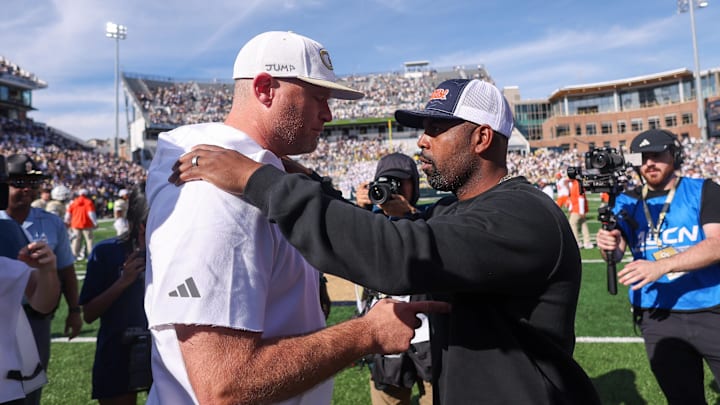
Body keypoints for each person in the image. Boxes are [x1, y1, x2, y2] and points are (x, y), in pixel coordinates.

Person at [171, 78, 601, 404]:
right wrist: (315, 184)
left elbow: (397, 257)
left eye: (436, 128)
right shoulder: (455, 209)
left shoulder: (523, 214)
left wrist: (258, 181)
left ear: (482, 138)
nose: (422, 141)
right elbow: (375, 234)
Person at [145, 30, 449, 405]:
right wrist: (366, 333)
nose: (328, 113)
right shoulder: (217, 192)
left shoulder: (256, 172)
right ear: (265, 89)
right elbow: (224, 386)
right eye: (318, 97)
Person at [595, 128, 720, 405]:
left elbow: (717, 245)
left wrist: (660, 266)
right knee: (683, 400)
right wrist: (608, 245)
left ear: (674, 156)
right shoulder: (627, 200)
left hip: (711, 309)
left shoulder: (704, 190)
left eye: (657, 155)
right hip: (658, 317)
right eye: (643, 157)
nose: (649, 163)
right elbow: (616, 255)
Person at [0, 154, 82, 405]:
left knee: (26, 394)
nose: (26, 189)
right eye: (18, 183)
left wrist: (74, 309)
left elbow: (64, 271)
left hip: (30, 320)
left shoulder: (31, 227)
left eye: (31, 183)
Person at [355, 152, 433, 405]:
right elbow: (349, 256)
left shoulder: (431, 219)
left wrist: (409, 215)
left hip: (430, 337)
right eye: (386, 182)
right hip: (384, 338)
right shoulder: (369, 223)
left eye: (400, 182)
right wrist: (359, 213)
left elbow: (437, 247)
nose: (393, 189)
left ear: (414, 185)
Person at [79, 184, 151, 404]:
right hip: (117, 349)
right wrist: (123, 281)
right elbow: (89, 314)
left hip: (166, 350)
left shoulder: (177, 253)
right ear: (141, 225)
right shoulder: (107, 252)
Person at [65, 188, 97, 260]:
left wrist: (67, 221)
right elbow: (91, 213)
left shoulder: (73, 202)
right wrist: (95, 222)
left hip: (75, 223)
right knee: (89, 240)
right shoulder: (88, 202)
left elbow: (68, 214)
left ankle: (74, 256)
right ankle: (91, 255)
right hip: (87, 223)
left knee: (76, 241)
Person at [568, 178, 593, 249]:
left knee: (572, 223)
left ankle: (577, 242)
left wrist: (581, 211)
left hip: (577, 208)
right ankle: (587, 242)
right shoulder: (575, 184)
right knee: (583, 224)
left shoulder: (577, 184)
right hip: (577, 208)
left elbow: (580, 197)